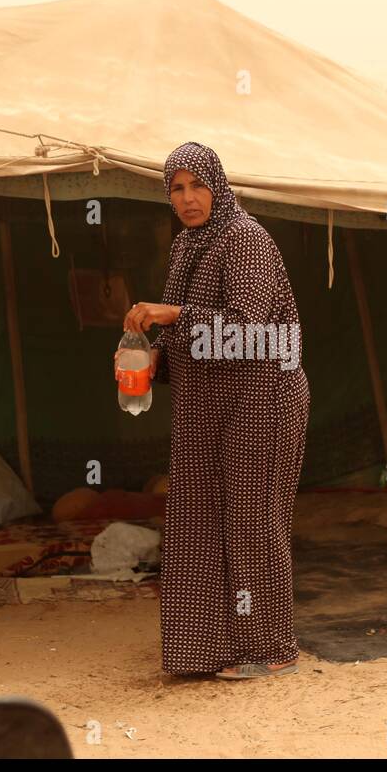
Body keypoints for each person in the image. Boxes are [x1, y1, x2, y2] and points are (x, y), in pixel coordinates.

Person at [122, 141, 310, 681]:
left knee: (253, 523)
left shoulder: (245, 239)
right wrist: (153, 354)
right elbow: (198, 336)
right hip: (211, 403)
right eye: (176, 189)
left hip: (263, 397)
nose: (187, 198)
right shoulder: (189, 245)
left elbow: (250, 332)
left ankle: (274, 649)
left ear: (218, 186)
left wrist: (172, 313)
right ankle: (210, 648)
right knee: (200, 520)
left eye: (197, 185)